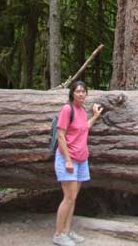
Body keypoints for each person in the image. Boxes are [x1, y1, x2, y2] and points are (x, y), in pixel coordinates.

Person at [53, 80, 103, 246]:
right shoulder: (67, 109)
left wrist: (95, 117)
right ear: (72, 93)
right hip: (68, 159)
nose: (81, 94)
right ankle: (58, 234)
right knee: (68, 197)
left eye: (83, 91)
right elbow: (61, 135)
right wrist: (67, 160)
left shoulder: (81, 110)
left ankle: (67, 231)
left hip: (81, 159)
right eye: (78, 91)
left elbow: (83, 128)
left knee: (73, 198)